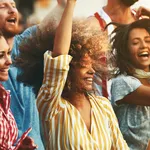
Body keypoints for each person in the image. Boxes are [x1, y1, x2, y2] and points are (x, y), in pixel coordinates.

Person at [15, 0, 129, 149]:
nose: (92, 71)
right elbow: (59, 58)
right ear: (67, 70)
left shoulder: (104, 106)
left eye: (92, 65)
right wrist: (70, 4)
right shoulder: (52, 106)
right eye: (82, 66)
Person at [0, 0, 69, 149]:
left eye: (13, 5)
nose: (12, 10)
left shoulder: (23, 45)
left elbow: (47, 28)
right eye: (2, 6)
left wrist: (65, 4)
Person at [109, 18, 150, 150]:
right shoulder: (122, 83)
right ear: (125, 51)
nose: (144, 45)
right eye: (135, 43)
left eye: (148, 40)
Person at [0, 31, 37, 150]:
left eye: (9, 53)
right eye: (1, 55)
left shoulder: (3, 96)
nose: (9, 61)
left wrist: (18, 147)